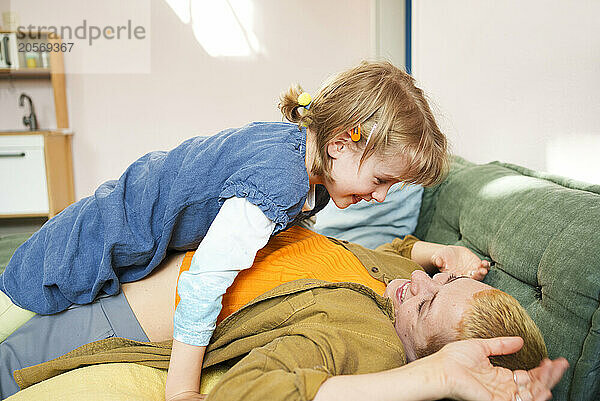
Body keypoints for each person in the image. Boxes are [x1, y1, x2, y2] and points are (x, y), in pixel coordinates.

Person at [0, 61, 450, 399]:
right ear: (339, 145)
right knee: (16, 341)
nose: (382, 197)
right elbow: (205, 282)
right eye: (381, 180)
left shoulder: (303, 166)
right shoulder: (280, 180)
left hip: (125, 242)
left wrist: (426, 252)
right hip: (93, 240)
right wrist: (181, 388)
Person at [0, 227, 566, 400]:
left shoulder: (366, 341)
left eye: (428, 300)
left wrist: (430, 378)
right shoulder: (390, 288)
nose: (414, 284)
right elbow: (390, 253)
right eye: (434, 281)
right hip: (127, 264)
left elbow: (251, 391)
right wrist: (438, 255)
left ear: (424, 354)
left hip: (123, 317)